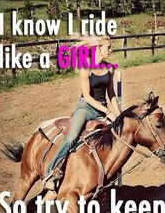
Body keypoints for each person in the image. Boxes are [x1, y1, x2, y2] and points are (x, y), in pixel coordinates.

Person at [43, 35, 121, 190]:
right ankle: (50, 173)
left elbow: (111, 94)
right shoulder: (86, 67)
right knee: (71, 138)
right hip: (86, 108)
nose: (111, 50)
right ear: (98, 48)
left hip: (103, 108)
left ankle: (108, 177)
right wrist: (107, 112)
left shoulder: (110, 68)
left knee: (117, 138)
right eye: (108, 47)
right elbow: (87, 96)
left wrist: (118, 114)